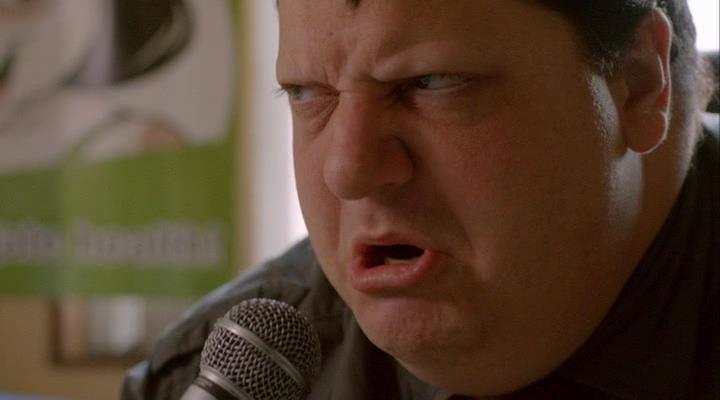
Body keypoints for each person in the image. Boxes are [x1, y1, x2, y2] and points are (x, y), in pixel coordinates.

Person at [122, 0, 718, 399]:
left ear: (639, 84)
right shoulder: (217, 379)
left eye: (432, 82)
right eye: (307, 93)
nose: (347, 171)